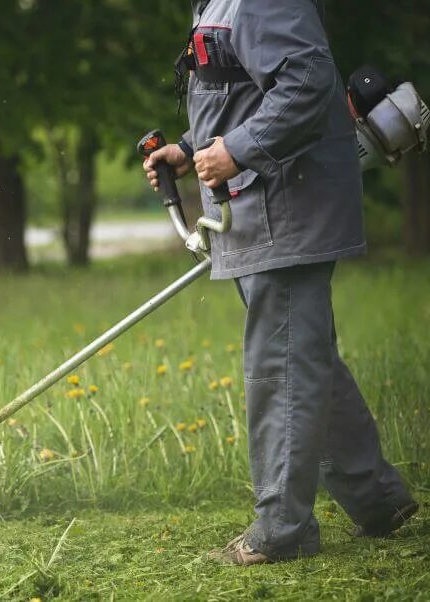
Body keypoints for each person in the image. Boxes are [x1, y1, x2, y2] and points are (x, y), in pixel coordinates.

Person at [143, 0, 417, 565]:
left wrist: (237, 150)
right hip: (261, 209)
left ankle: (282, 530)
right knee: (303, 354)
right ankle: (376, 498)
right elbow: (242, 91)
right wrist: (192, 148)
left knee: (282, 364)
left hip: (291, 206)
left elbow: (307, 86)